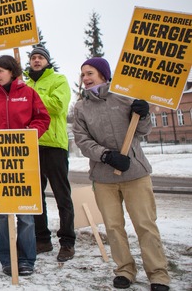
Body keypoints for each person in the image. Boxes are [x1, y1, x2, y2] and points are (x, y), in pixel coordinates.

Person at [73, 57, 170, 291]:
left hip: (135, 173)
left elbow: (144, 130)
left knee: (145, 224)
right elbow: (82, 140)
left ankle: (158, 274)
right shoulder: (81, 107)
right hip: (104, 177)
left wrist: (144, 113)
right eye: (83, 74)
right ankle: (125, 270)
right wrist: (105, 155)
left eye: (90, 73)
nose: (85, 78)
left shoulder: (126, 97)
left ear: (104, 75)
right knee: (113, 227)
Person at [0, 55, 50, 277]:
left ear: (11, 71)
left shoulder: (28, 94)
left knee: (25, 214)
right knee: (0, 214)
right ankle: (7, 259)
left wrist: (30, 132)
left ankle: (26, 259)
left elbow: (42, 118)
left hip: (23, 162)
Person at [24, 46, 76, 262]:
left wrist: (29, 97)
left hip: (54, 144)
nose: (36, 60)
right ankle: (42, 239)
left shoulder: (58, 79)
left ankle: (67, 241)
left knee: (61, 195)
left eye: (40, 58)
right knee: (35, 197)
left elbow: (57, 105)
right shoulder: (23, 83)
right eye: (33, 57)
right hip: (31, 144)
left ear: (47, 61)